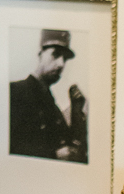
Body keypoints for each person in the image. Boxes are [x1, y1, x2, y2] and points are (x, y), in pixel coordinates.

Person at [9, 29, 87, 162]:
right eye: (55, 55)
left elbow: (70, 145)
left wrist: (76, 110)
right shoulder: (15, 92)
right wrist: (53, 155)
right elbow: (8, 148)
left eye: (65, 59)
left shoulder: (51, 104)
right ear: (40, 55)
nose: (61, 64)